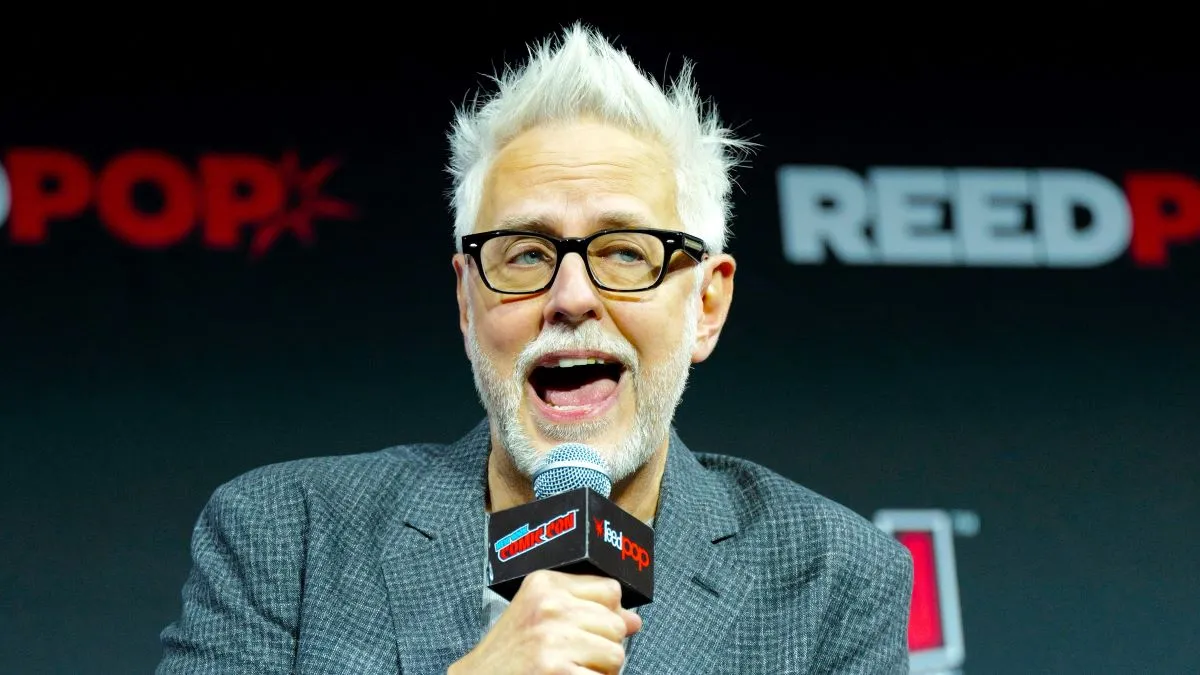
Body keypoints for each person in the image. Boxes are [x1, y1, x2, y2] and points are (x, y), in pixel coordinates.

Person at [157, 23, 913, 674]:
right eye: (523, 253)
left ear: (706, 303)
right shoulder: (285, 535)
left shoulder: (832, 577)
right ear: (466, 298)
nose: (572, 296)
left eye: (625, 251)